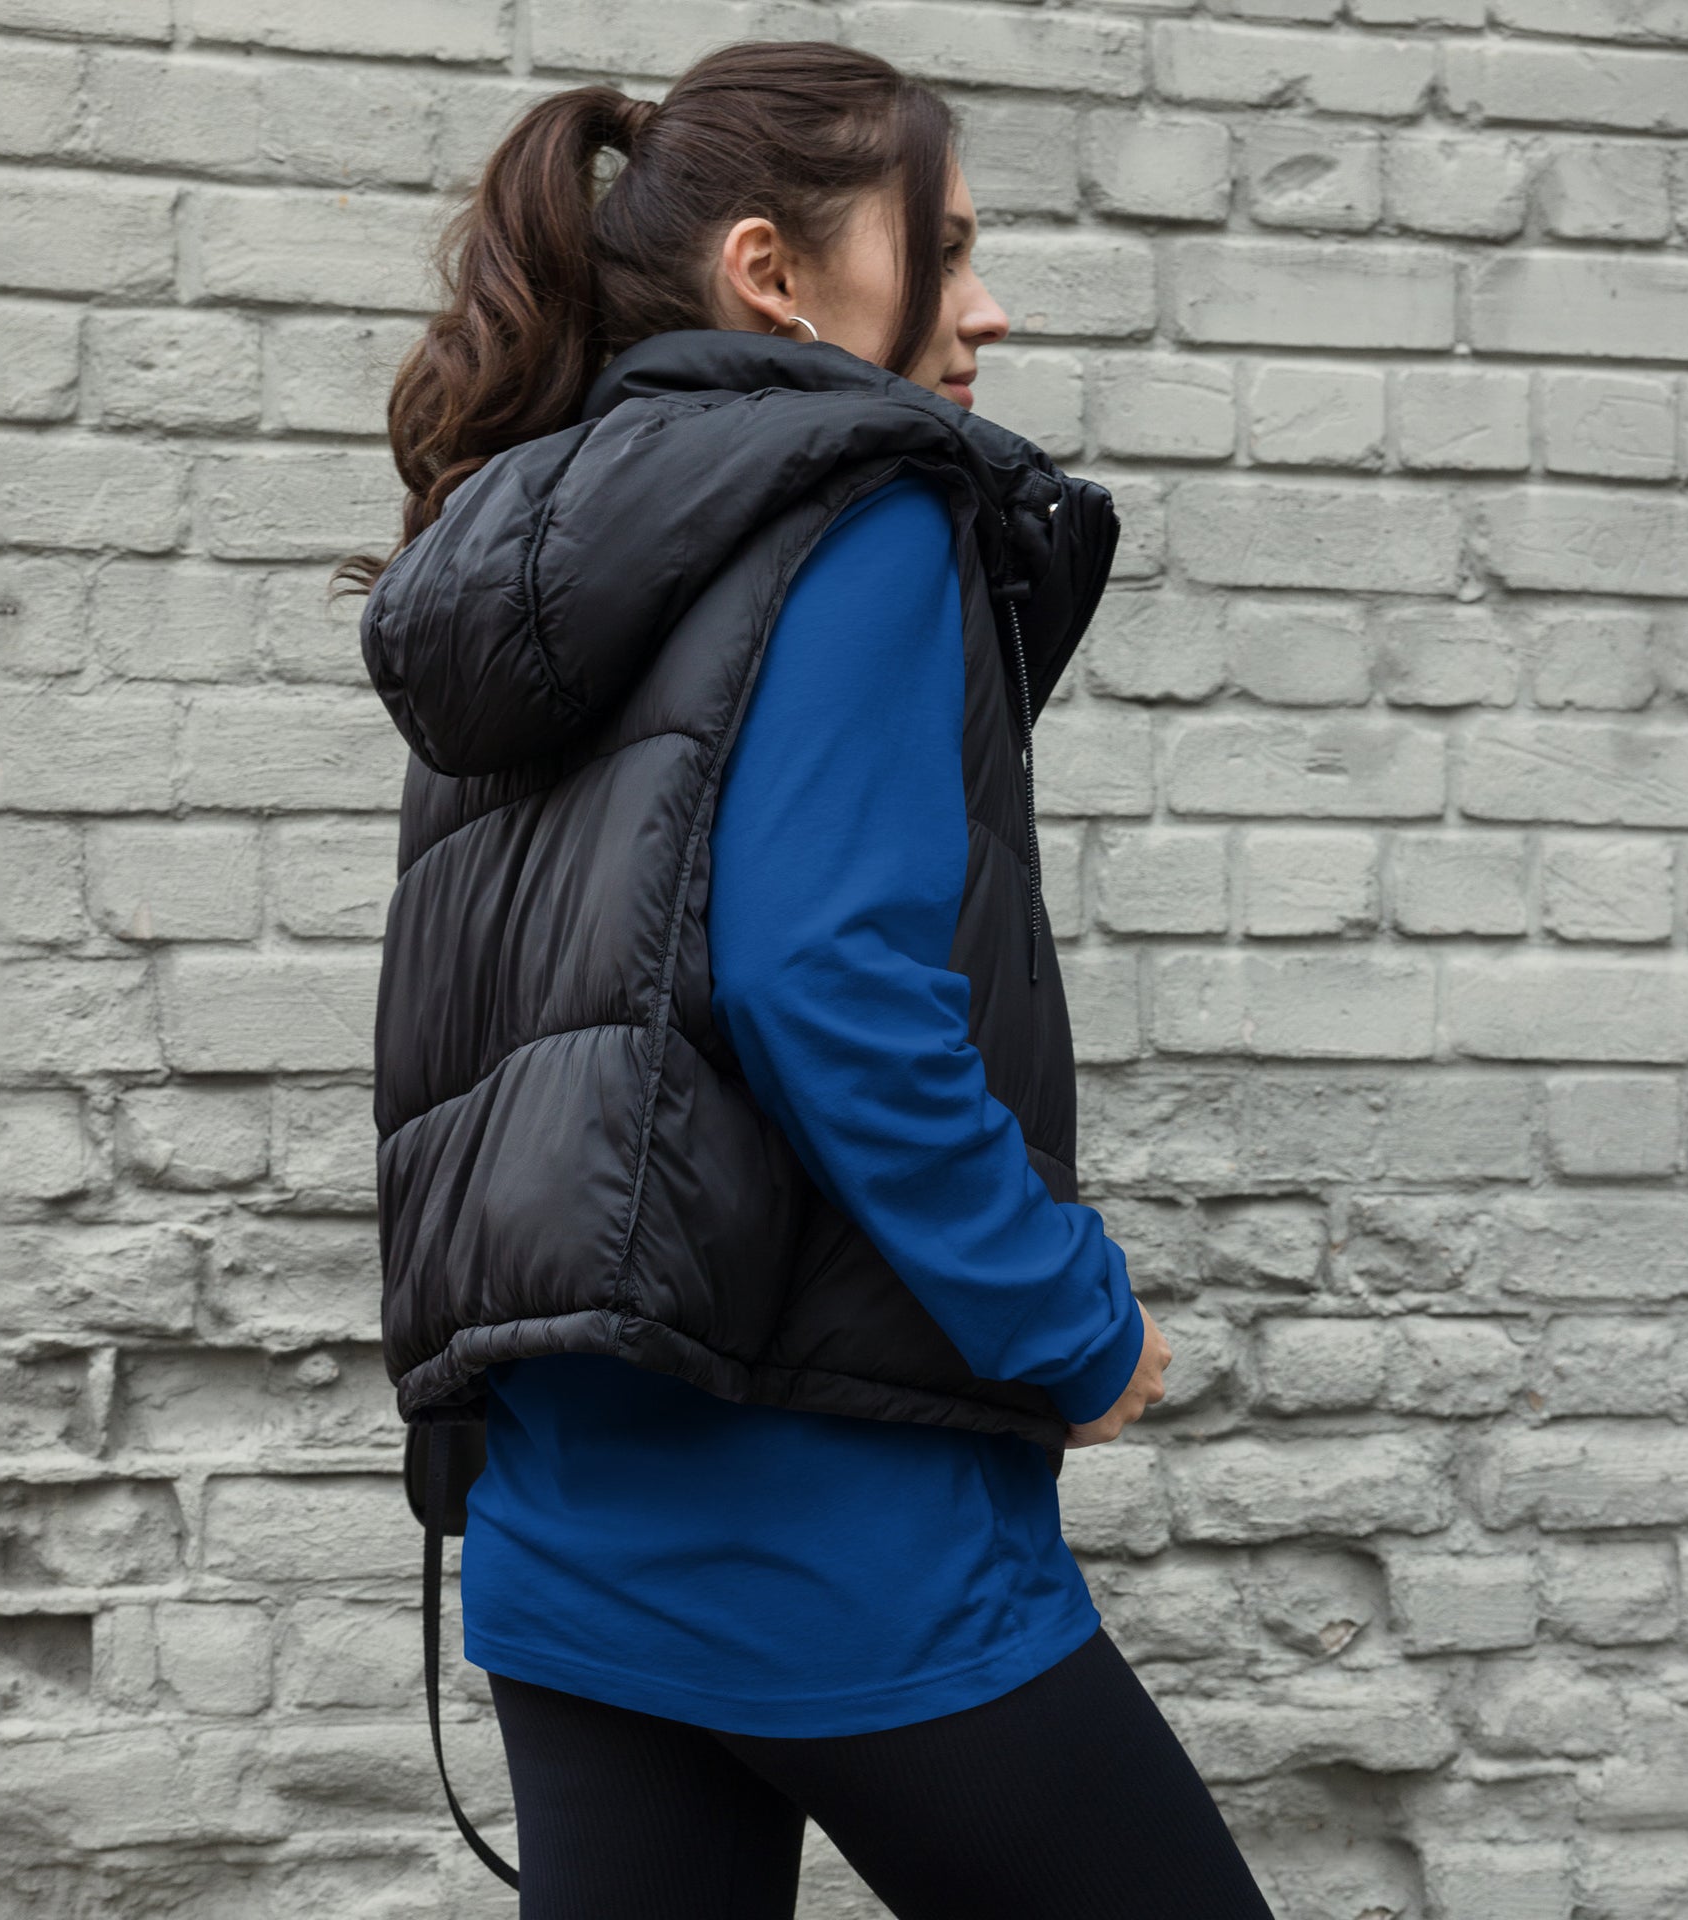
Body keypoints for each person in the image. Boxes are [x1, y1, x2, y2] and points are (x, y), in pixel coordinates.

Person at [342, 38, 1276, 1920]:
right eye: (950, 245)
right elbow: (825, 981)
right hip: (834, 1524)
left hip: (566, 1511)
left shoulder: (524, 549)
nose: (989, 306)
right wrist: (1072, 1320)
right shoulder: (859, 505)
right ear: (771, 272)